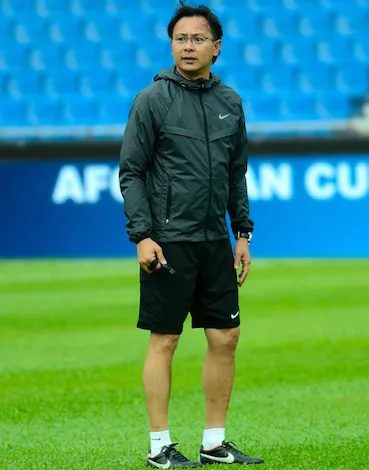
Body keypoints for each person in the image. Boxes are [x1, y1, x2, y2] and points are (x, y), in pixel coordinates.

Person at [118, 2, 263, 467]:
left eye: (198, 39)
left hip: (215, 240)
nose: (188, 46)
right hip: (168, 240)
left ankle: (214, 443)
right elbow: (131, 172)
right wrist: (142, 235)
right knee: (165, 340)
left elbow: (236, 173)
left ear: (216, 47)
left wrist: (242, 232)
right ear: (171, 45)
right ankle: (159, 446)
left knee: (226, 337)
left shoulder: (230, 102)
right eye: (180, 38)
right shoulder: (151, 100)